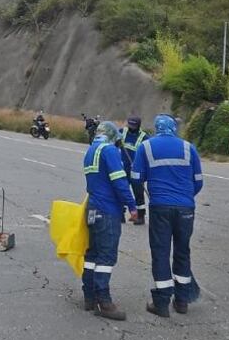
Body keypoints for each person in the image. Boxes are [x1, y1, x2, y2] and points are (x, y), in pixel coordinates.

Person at [132, 114, 203, 318]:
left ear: (156, 128)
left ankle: (161, 303)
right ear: (174, 128)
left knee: (161, 252)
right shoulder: (189, 148)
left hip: (160, 207)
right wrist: (184, 197)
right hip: (186, 209)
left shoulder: (146, 146)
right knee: (182, 252)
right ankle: (182, 301)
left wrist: (149, 185)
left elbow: (136, 178)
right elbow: (198, 182)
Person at [81, 121, 138, 321]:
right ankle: (103, 302)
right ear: (114, 136)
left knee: (92, 254)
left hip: (92, 209)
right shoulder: (110, 151)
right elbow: (119, 181)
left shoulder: (90, 151)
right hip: (107, 210)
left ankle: (89, 296)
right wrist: (132, 206)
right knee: (106, 257)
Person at [118, 116, 149, 226]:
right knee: (122, 191)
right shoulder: (122, 132)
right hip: (123, 168)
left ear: (138, 126)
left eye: (133, 126)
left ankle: (140, 216)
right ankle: (120, 215)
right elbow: (112, 142)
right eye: (130, 125)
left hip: (137, 170)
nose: (131, 128)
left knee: (138, 193)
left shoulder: (144, 137)